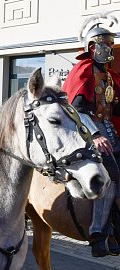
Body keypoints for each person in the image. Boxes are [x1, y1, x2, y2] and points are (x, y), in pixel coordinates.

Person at [63, 15, 120, 257]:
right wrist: (95, 134)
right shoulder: (83, 70)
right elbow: (76, 109)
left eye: (110, 43)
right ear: (91, 47)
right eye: (103, 44)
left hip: (110, 131)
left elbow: (115, 108)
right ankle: (98, 235)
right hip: (86, 132)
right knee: (109, 175)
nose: (108, 48)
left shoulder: (109, 76)